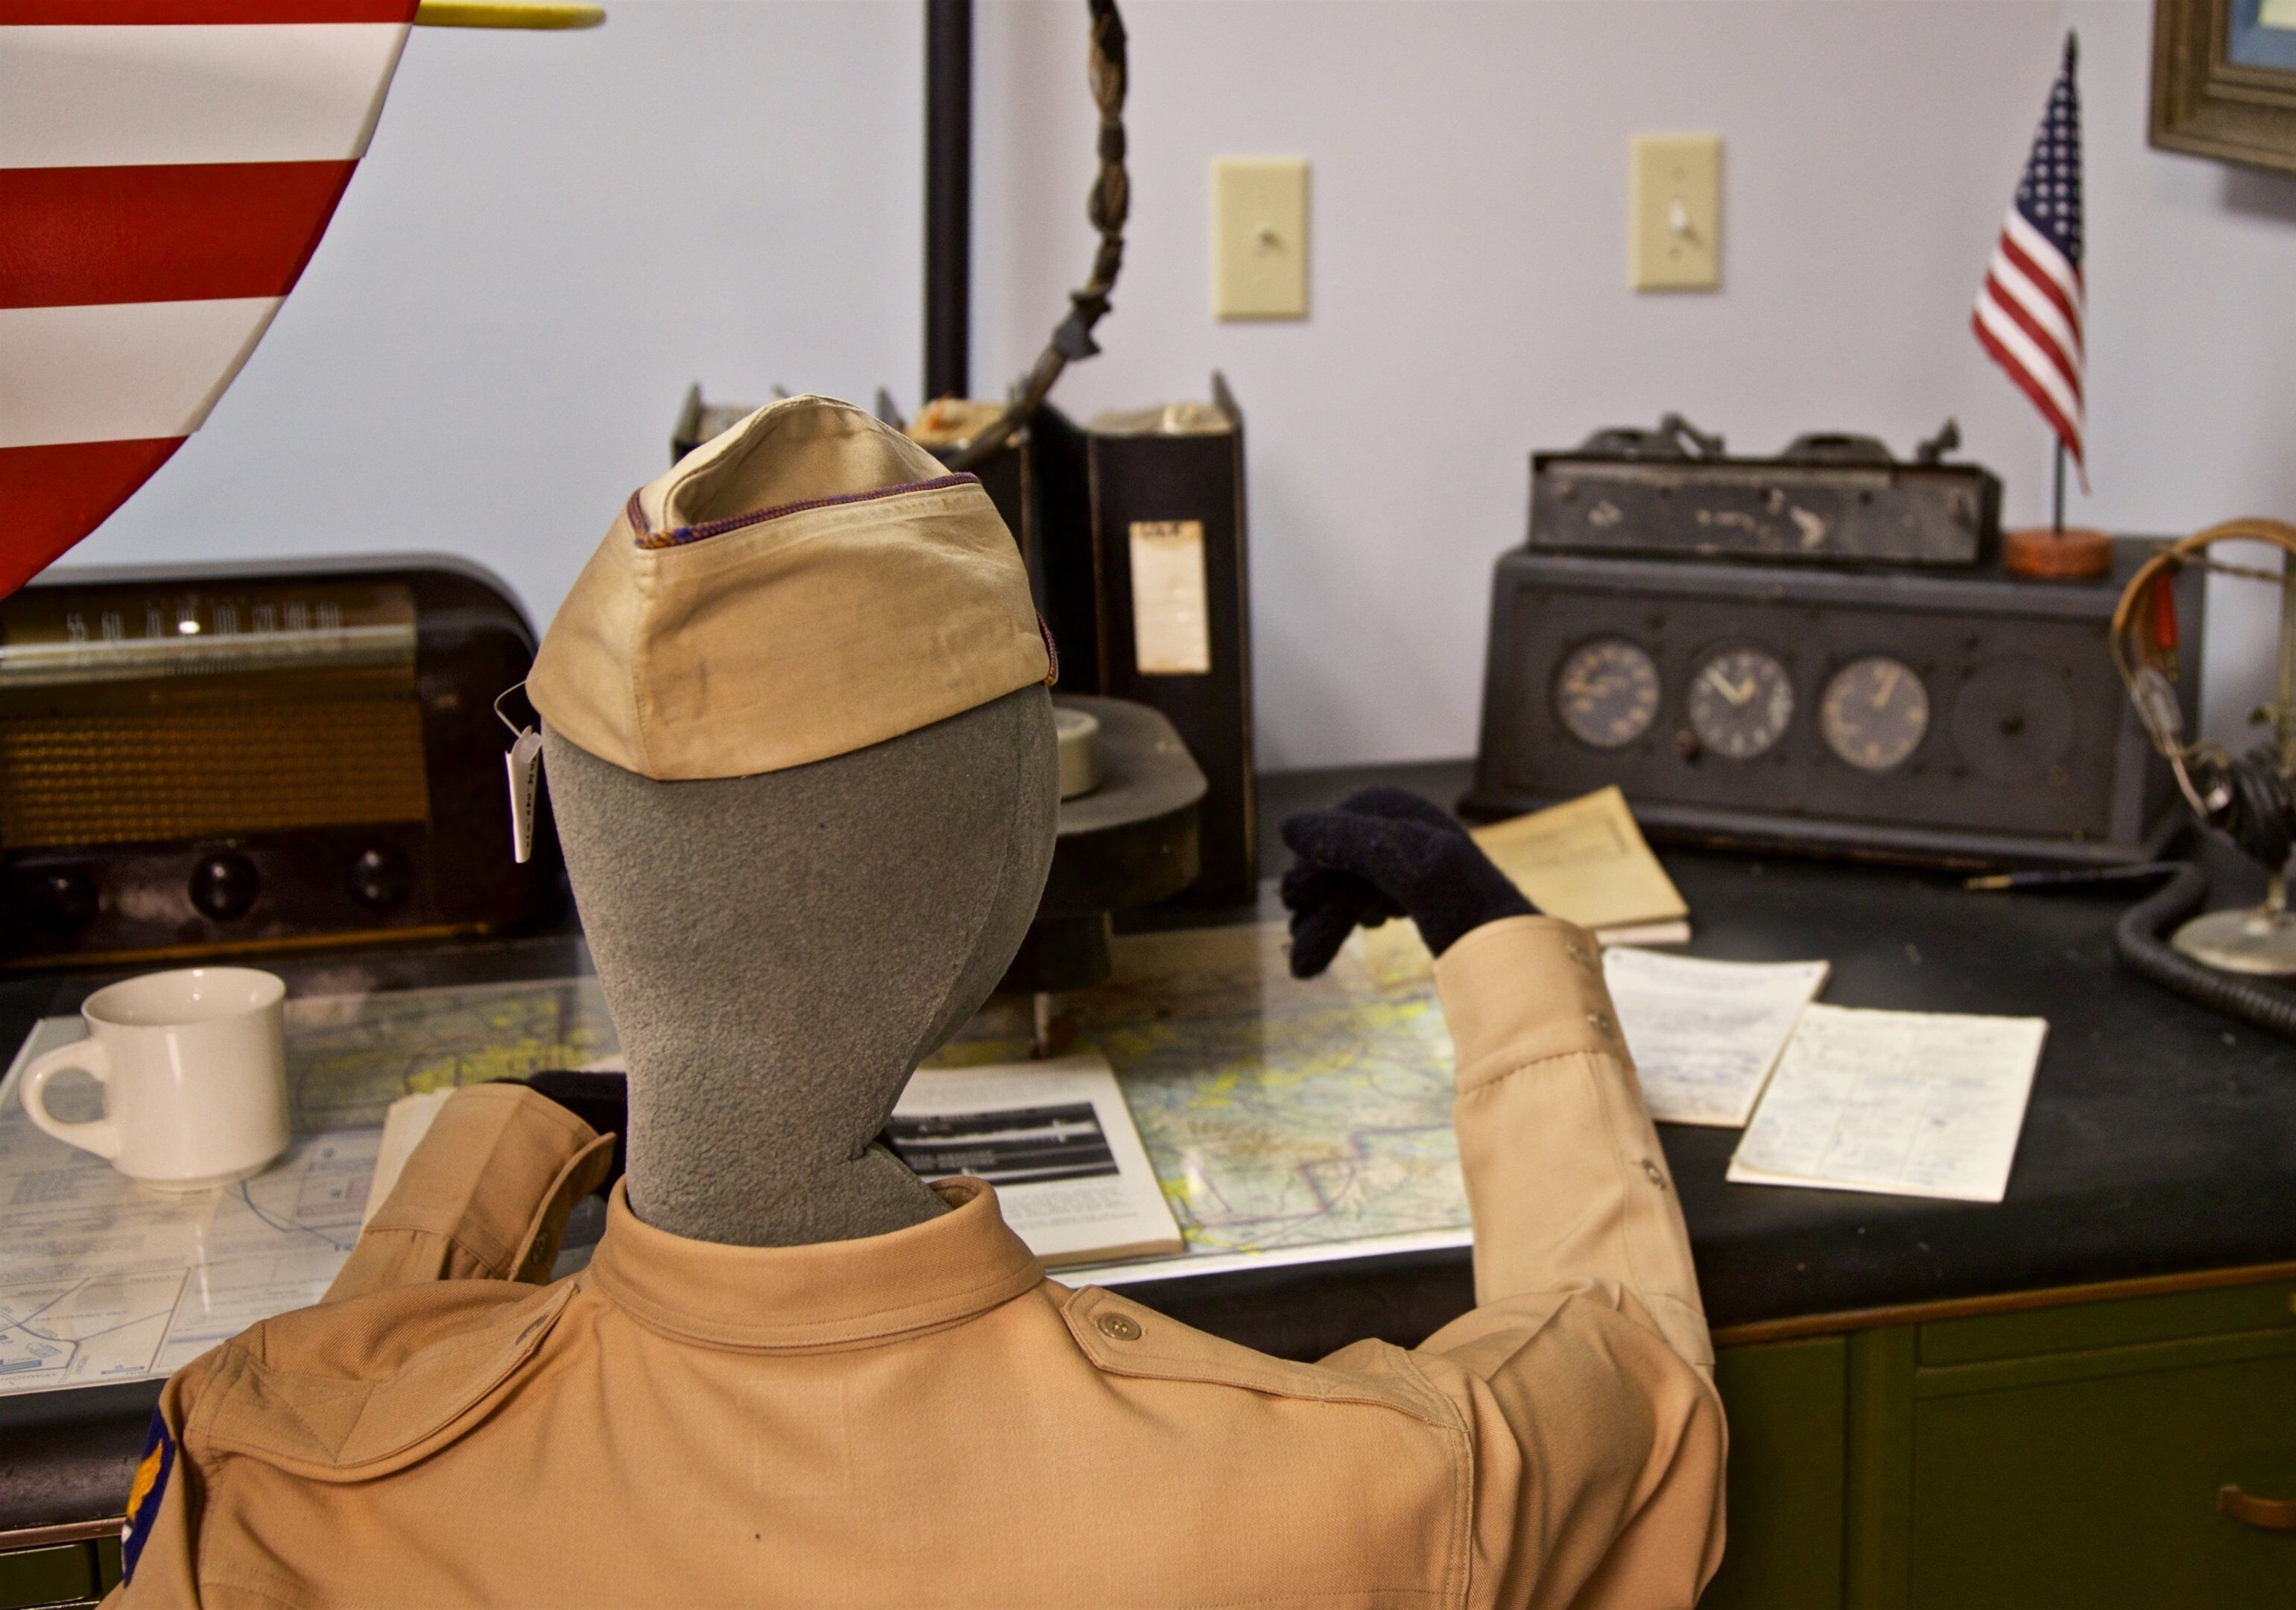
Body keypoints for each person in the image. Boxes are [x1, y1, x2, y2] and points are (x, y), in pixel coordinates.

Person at [104, 397, 1726, 1609]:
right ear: (1013, 864)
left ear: (587, 852)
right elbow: (1644, 1395)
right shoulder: (1348, 1492)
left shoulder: (285, 1479)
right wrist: (1498, 942)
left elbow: (358, 1377)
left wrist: (508, 1146)